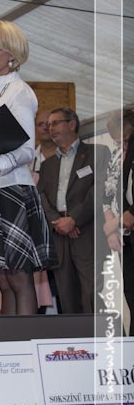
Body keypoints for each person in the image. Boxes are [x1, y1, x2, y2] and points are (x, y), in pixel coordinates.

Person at [0, 20, 57, 316]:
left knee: (17, 275)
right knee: (2, 278)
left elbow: (27, 149)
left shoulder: (19, 91)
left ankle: (25, 340)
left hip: (11, 189)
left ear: (12, 54)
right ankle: (9, 341)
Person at [38, 107, 109, 314]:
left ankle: (104, 336)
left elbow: (100, 189)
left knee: (93, 295)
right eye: (48, 125)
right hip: (60, 235)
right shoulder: (48, 165)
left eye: (55, 123)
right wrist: (58, 222)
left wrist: (74, 219)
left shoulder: (97, 153)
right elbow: (41, 197)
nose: (51, 129)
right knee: (67, 298)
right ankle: (76, 337)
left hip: (87, 233)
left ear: (72, 124)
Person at [102, 109, 134, 334]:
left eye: (124, 140)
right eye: (116, 140)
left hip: (126, 223)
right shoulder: (115, 156)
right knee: (130, 292)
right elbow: (107, 195)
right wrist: (112, 231)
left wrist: (114, 224)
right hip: (123, 235)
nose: (121, 145)